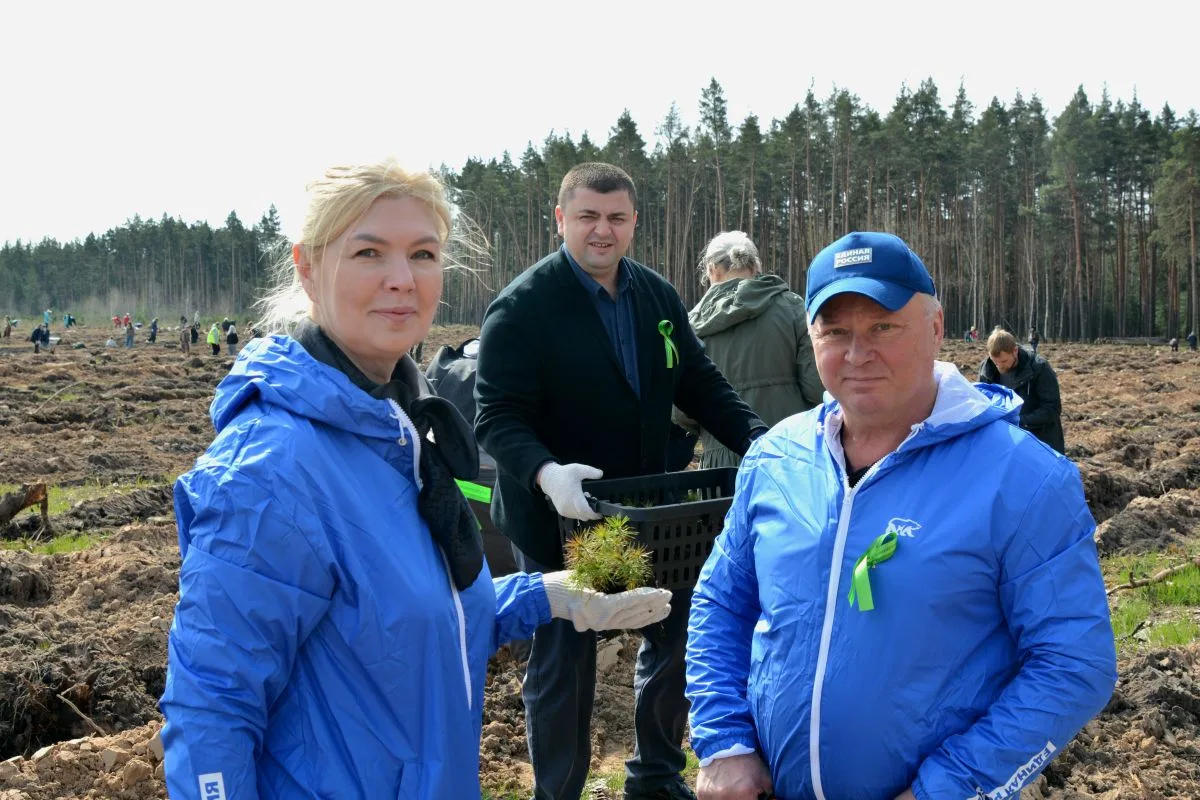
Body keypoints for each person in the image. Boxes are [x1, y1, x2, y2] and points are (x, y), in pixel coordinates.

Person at [159, 159, 672, 800]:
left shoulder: (396, 436)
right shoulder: (270, 471)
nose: (401, 280)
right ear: (308, 267)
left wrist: (549, 596)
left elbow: (416, 628)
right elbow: (212, 708)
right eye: (369, 252)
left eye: (423, 254)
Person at [685, 231, 1116, 800]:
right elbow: (721, 602)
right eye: (835, 331)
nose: (857, 353)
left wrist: (951, 787)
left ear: (936, 328)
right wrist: (724, 743)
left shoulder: (1023, 478)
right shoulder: (776, 457)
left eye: (883, 327)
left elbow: (1072, 662)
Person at [475, 162, 767, 800]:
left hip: (645, 509)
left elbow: (700, 384)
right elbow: (495, 416)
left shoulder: (656, 298)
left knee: (672, 633)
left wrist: (767, 446)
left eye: (615, 218)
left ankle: (656, 776)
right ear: (561, 220)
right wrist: (547, 473)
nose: (601, 231)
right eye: (587, 217)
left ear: (634, 223)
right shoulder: (525, 307)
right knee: (567, 658)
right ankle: (559, 791)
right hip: (559, 511)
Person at [675, 230, 823, 468]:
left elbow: (681, 412)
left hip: (720, 464)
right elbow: (816, 388)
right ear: (756, 267)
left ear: (712, 270)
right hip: (789, 452)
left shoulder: (689, 324)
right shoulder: (792, 308)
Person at [979, 326, 1065, 453]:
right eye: (995, 362)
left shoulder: (1039, 368)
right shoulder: (986, 370)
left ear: (1015, 351)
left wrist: (1018, 420)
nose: (999, 367)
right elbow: (982, 403)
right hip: (1006, 442)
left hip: (1041, 440)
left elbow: (1052, 408)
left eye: (1004, 361)